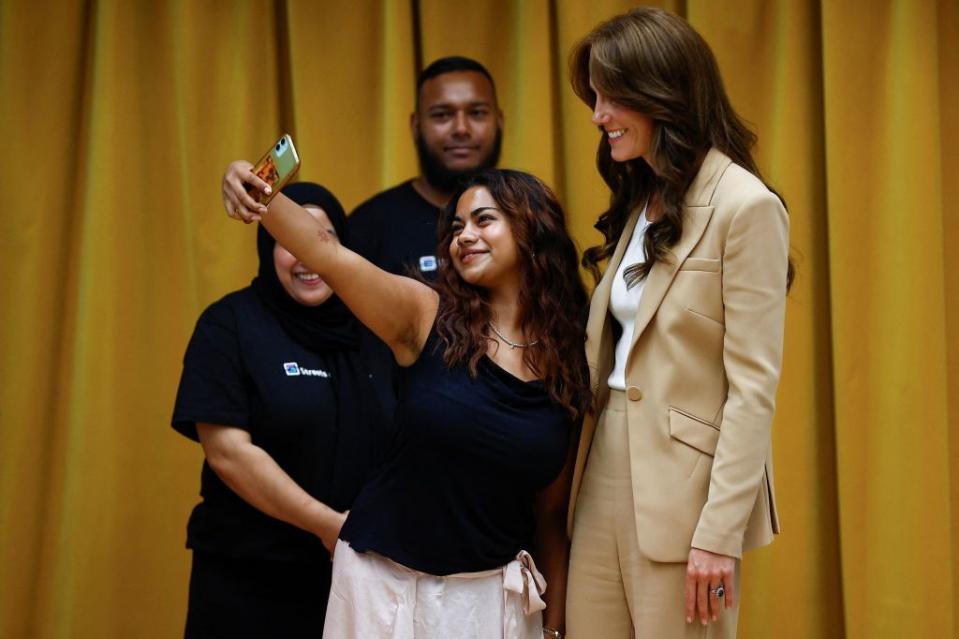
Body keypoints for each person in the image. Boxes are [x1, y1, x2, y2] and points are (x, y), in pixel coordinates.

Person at [222, 165, 590, 638]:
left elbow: (551, 518)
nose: (465, 237)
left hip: (491, 601)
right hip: (384, 588)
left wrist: (555, 629)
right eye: (456, 227)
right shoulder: (426, 315)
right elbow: (327, 254)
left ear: (532, 226)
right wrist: (259, 191)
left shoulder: (569, 363)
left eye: (483, 220)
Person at [564, 7, 792, 638]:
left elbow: (752, 390)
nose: (597, 115)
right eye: (596, 97)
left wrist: (718, 533)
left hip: (687, 495)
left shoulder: (747, 207)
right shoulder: (643, 196)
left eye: (611, 97)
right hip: (602, 461)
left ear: (659, 92)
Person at [171, 182, 392, 637]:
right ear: (269, 246)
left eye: (322, 238)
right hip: (250, 579)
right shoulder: (229, 324)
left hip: (360, 579)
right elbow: (228, 453)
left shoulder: (376, 327)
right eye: (290, 240)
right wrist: (329, 526)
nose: (307, 255)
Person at [348, 56, 504, 278]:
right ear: (415, 126)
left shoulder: (530, 216)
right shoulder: (369, 227)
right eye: (442, 115)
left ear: (499, 120)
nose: (461, 128)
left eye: (477, 113)